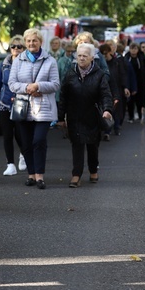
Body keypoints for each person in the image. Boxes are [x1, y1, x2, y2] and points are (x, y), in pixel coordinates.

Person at [7, 28, 60, 190]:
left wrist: (39, 86)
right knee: (26, 143)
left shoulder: (50, 61)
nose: (31, 43)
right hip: (23, 107)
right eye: (28, 41)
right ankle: (31, 174)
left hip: (44, 108)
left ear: (40, 42)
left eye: (34, 41)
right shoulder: (18, 61)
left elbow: (56, 84)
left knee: (39, 140)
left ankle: (39, 176)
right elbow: (12, 84)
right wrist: (28, 88)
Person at [57, 43, 114, 187]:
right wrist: (60, 117)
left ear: (92, 58)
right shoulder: (70, 73)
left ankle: (93, 170)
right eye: (79, 55)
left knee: (92, 146)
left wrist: (107, 109)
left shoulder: (99, 74)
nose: (81, 59)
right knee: (76, 145)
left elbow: (106, 94)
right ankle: (76, 175)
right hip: (74, 115)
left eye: (85, 56)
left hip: (92, 115)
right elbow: (63, 96)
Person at [0, 35, 26, 176]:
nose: (16, 49)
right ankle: (10, 164)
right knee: (7, 135)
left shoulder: (27, 64)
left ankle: (23, 155)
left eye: (19, 46)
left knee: (20, 135)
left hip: (21, 104)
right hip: (4, 104)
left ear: (24, 48)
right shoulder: (4, 65)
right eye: (13, 46)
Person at [99, 43, 130, 138]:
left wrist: (125, 87)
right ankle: (107, 131)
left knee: (117, 109)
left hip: (117, 88)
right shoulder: (100, 64)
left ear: (109, 52)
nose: (104, 56)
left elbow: (123, 75)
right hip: (105, 89)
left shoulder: (117, 62)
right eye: (102, 54)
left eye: (106, 53)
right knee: (107, 109)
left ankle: (116, 127)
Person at [125, 43, 145, 123]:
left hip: (140, 82)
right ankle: (131, 117)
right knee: (130, 100)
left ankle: (139, 114)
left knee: (140, 100)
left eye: (135, 48)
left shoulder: (141, 57)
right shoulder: (126, 58)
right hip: (130, 81)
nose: (133, 50)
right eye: (132, 48)